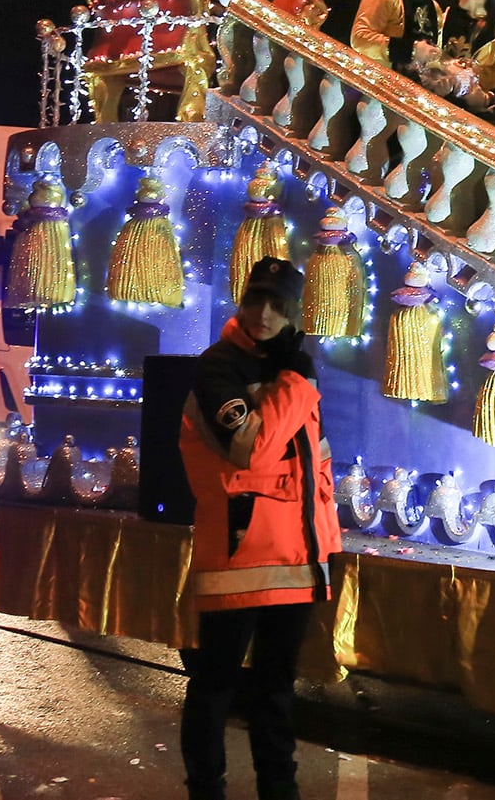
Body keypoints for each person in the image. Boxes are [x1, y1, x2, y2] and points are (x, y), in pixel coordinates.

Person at [177, 258, 339, 800]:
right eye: (255, 300)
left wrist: (327, 547)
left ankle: (280, 791)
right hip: (237, 560)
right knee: (214, 688)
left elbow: (316, 471)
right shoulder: (219, 367)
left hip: (295, 558)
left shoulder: (290, 368)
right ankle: (206, 791)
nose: (263, 314)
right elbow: (252, 449)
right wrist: (295, 381)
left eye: (277, 304)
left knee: (276, 692)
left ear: (293, 310)